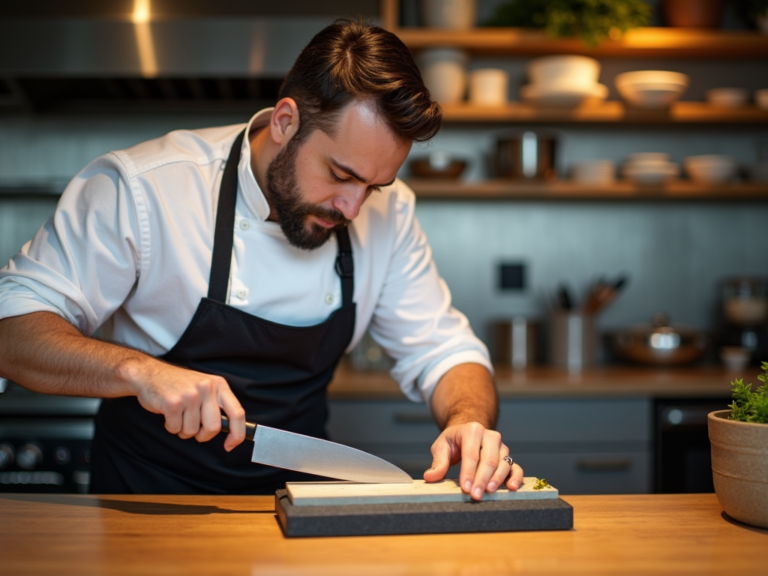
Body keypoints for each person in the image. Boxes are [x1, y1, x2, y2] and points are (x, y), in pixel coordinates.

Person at [0, 19, 523, 498]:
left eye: (375, 186)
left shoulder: (390, 215)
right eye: (341, 175)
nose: (353, 207)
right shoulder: (145, 190)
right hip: (143, 506)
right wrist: (140, 372)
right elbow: (11, 328)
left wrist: (467, 420)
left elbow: (444, 350)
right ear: (286, 121)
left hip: (300, 511)